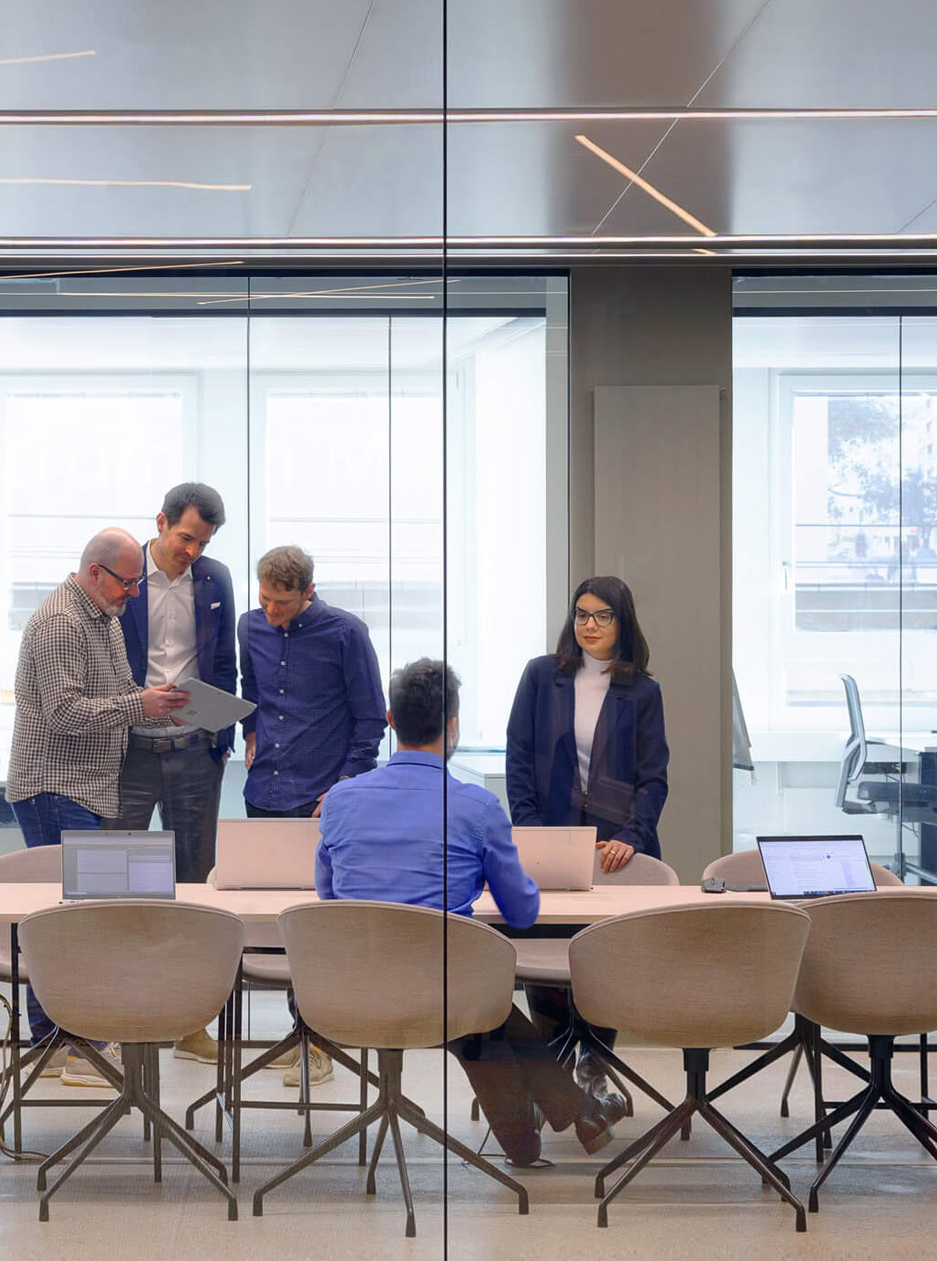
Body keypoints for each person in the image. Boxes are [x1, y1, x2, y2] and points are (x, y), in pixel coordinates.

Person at [315, 658, 626, 1168]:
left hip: (353, 989)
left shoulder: (342, 800)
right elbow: (522, 913)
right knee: (484, 1010)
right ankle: (564, 1119)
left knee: (487, 1012)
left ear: (390, 721)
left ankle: (552, 1127)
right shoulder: (476, 807)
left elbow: (329, 901)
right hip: (446, 997)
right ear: (453, 726)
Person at [6, 528, 190, 1087]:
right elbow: (64, 713)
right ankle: (63, 1044)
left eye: (137, 582)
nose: (134, 592)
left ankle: (66, 1042)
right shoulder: (63, 621)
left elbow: (115, 696)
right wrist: (140, 702)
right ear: (94, 572)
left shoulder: (101, 616)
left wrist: (165, 709)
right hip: (55, 786)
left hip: (83, 786)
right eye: (127, 581)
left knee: (72, 918)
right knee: (68, 923)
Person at [505, 574, 669, 1102]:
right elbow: (519, 759)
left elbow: (653, 777)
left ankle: (594, 1067)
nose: (589, 625)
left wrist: (633, 835)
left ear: (622, 623)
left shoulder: (642, 691)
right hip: (549, 841)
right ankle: (552, 1069)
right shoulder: (540, 677)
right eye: (581, 614)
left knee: (604, 959)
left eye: (601, 615)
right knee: (547, 954)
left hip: (613, 850)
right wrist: (530, 832)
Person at [238, 544, 386, 1087]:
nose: (270, 610)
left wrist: (345, 786)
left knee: (318, 925)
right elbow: (249, 691)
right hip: (265, 792)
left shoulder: (347, 634)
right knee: (278, 923)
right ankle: (298, 1032)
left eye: (281, 602)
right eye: (264, 599)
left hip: (322, 798)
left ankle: (320, 1038)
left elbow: (370, 719)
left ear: (308, 593)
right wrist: (249, 731)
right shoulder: (248, 626)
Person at [111, 483, 239, 1066]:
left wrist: (222, 740)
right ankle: (122, 1022)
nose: (192, 551)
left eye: (203, 542)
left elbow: (226, 666)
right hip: (132, 750)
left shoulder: (215, 580)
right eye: (186, 537)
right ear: (160, 522)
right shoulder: (125, 576)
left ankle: (190, 1025)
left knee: (193, 889)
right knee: (123, 889)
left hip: (194, 752)